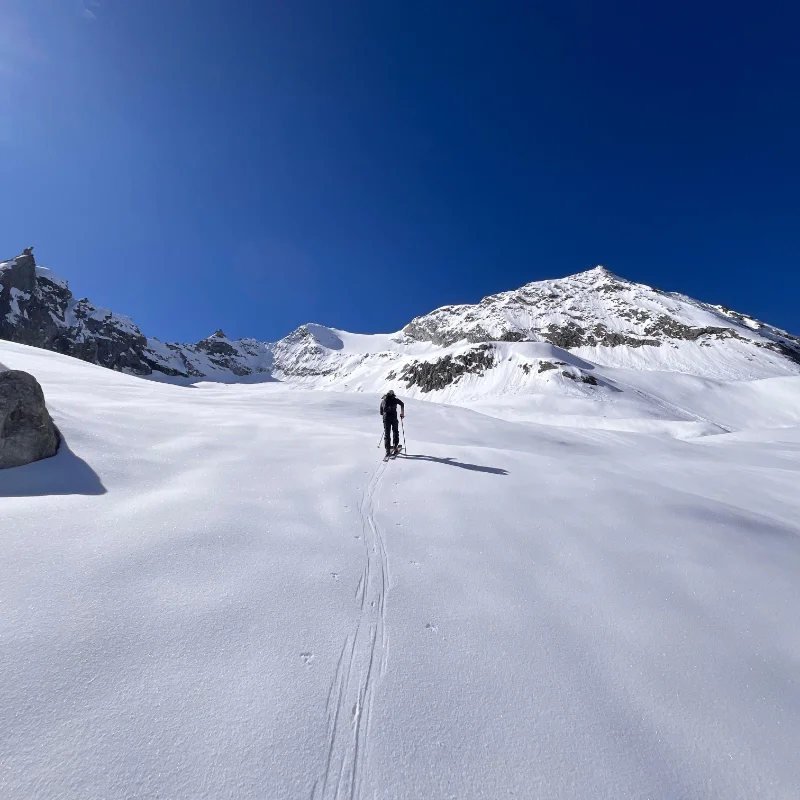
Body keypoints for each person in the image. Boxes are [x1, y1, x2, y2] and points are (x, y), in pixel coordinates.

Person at [380, 389, 405, 457]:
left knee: (387, 434)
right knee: (395, 432)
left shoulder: (383, 401)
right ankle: (395, 447)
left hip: (386, 419)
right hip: (394, 419)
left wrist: (385, 415)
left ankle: (387, 450)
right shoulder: (395, 400)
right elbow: (402, 404)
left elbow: (381, 412)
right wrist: (402, 413)